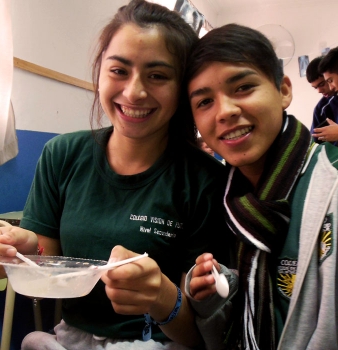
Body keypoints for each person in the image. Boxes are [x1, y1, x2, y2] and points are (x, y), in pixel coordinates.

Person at [0, 1, 233, 349]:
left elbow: (201, 337)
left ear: (182, 88)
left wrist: (161, 298)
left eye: (157, 75)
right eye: (119, 71)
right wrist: (26, 251)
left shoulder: (206, 182)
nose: (134, 91)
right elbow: (51, 260)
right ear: (100, 73)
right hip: (72, 338)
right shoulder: (62, 155)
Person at [185, 23, 338, 350]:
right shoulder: (224, 197)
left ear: (283, 90)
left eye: (242, 87)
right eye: (204, 102)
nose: (225, 111)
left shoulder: (332, 184)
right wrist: (211, 296)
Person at [306, 56, 338, 145]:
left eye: (322, 84)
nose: (319, 91)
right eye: (315, 88)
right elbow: (313, 143)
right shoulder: (321, 109)